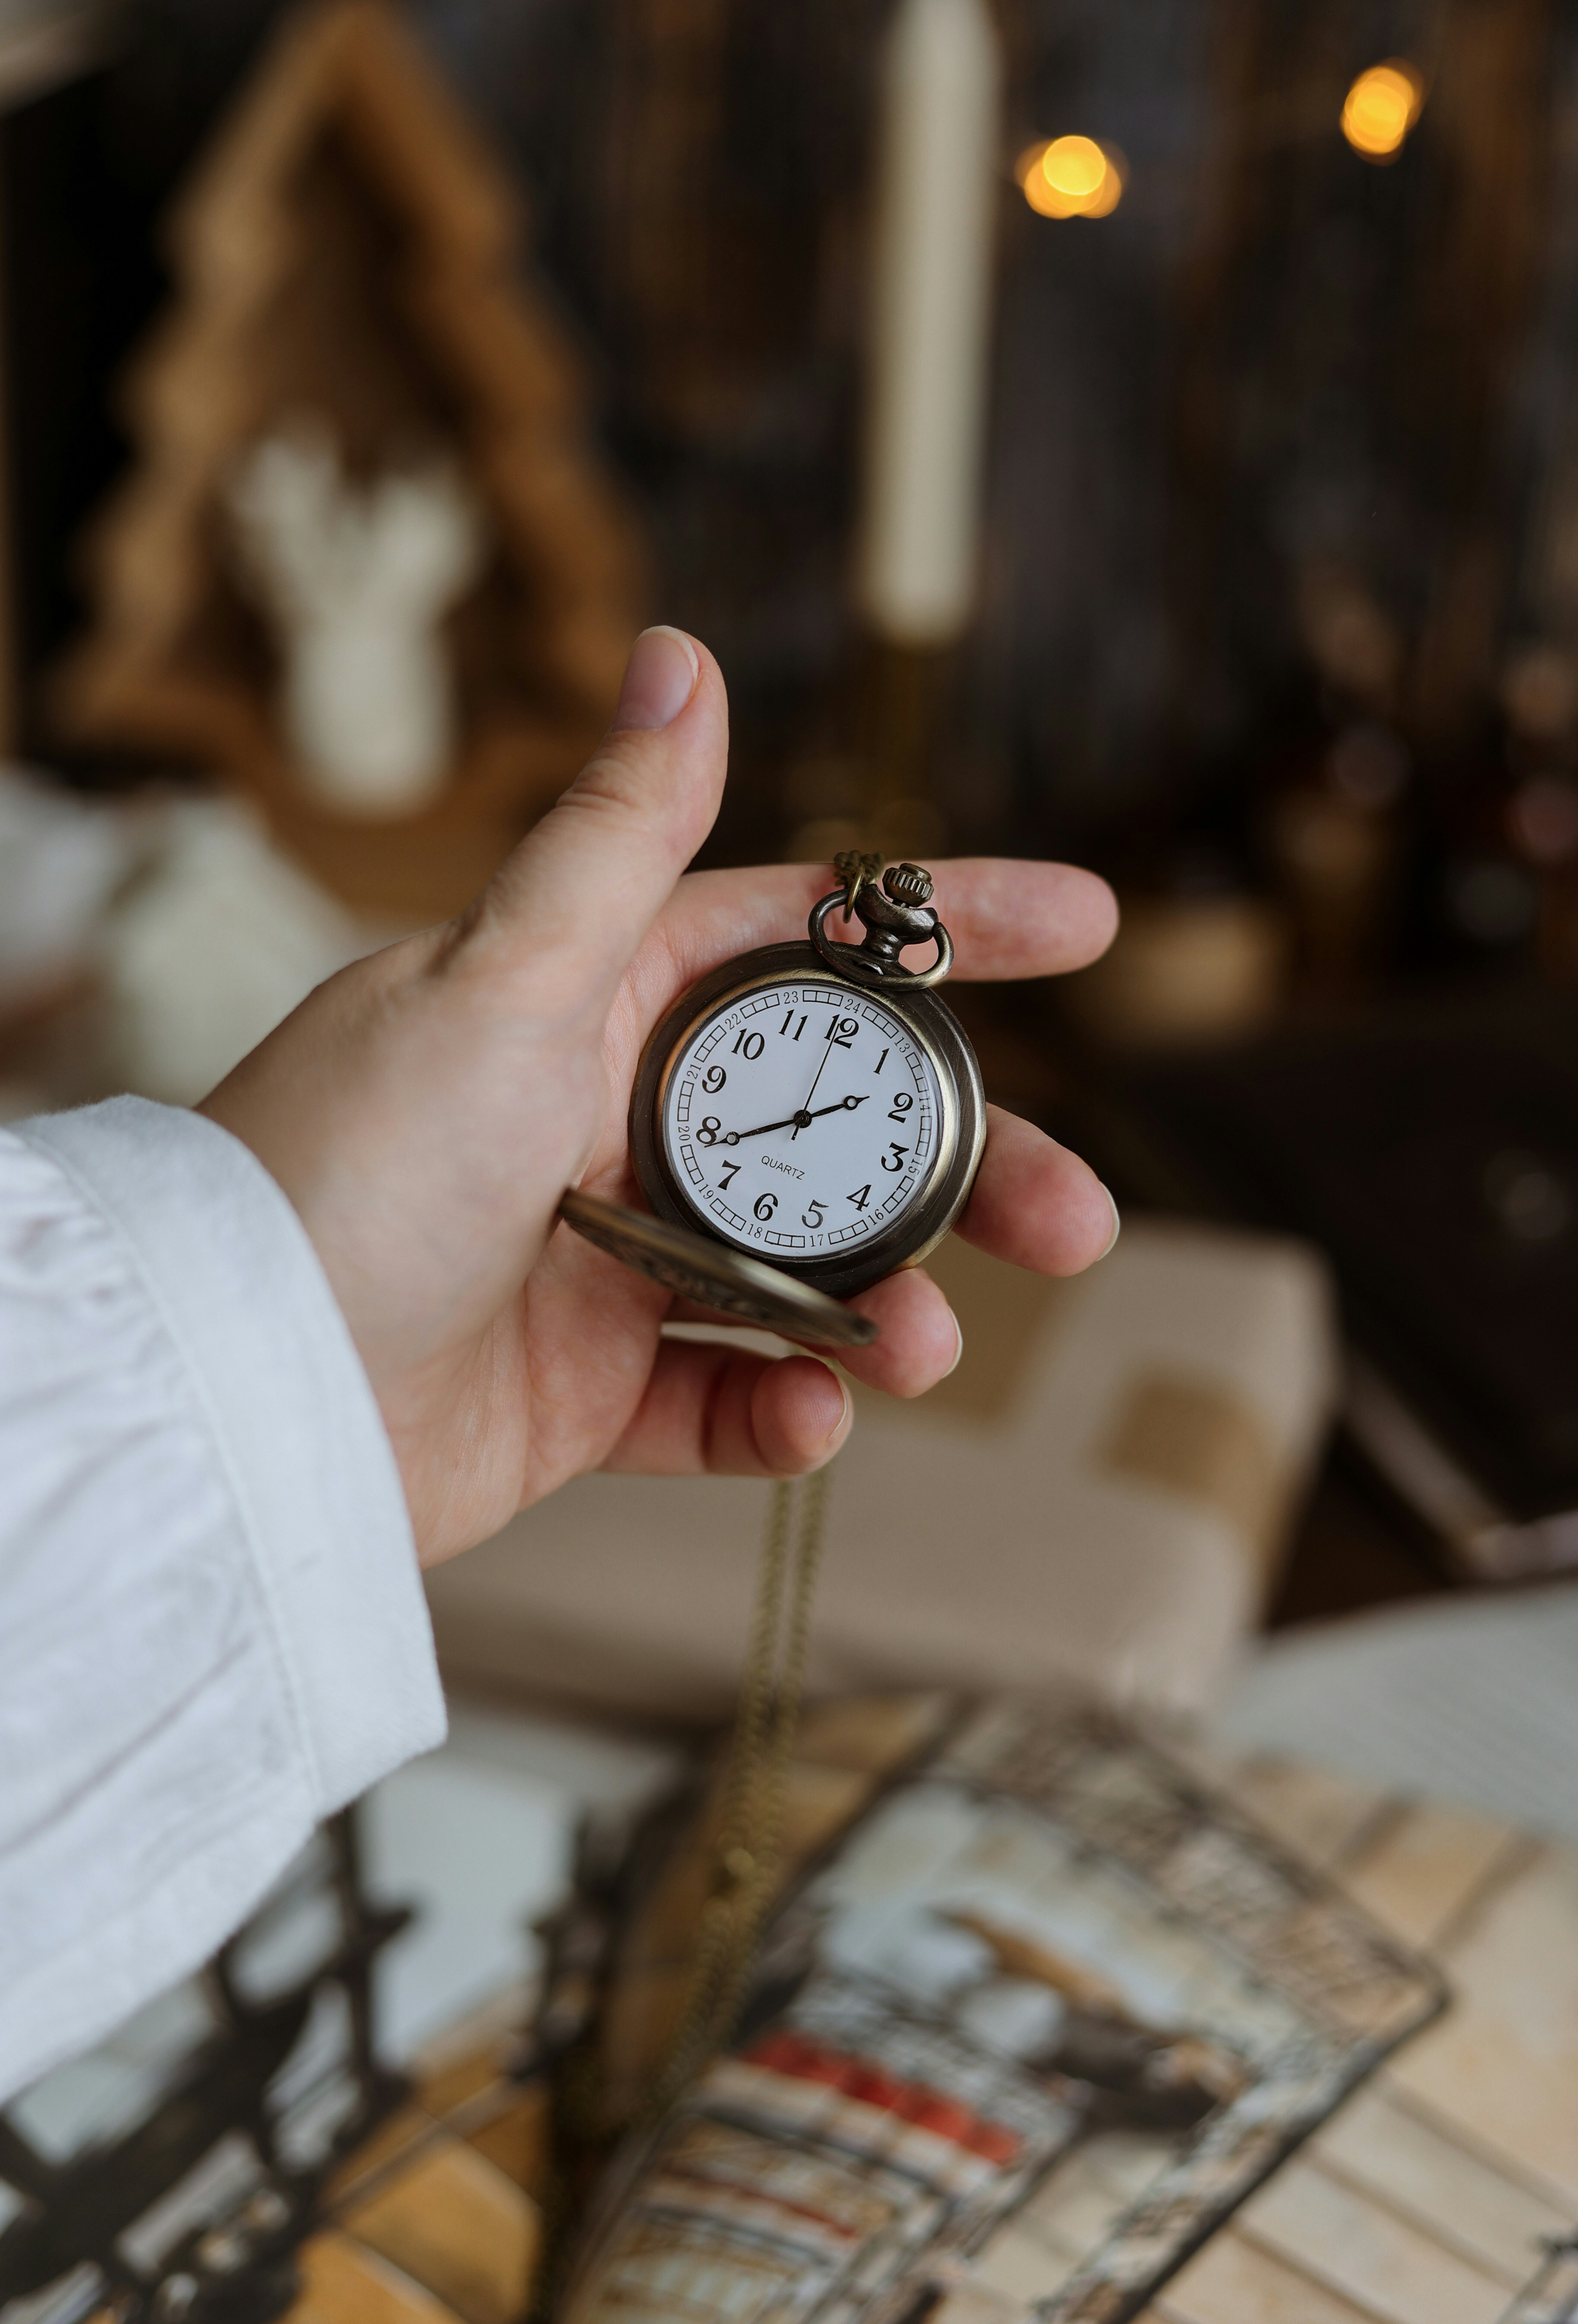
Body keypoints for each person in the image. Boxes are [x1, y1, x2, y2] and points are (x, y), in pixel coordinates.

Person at [0, 628, 1118, 2102]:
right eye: (764, 1110)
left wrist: (284, 1339)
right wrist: (297, 1318)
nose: (781, 1133)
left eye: (823, 1131)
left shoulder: (881, 1063)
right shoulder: (705, 1060)